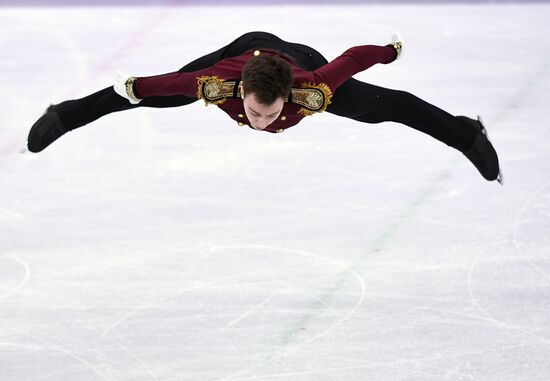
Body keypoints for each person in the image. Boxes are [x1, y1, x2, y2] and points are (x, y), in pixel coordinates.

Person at [27, 31, 502, 184]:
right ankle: (66, 113)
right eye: (255, 114)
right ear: (241, 98)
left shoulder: (313, 88)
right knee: (153, 100)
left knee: (385, 107)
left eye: (270, 116)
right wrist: (133, 87)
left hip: (298, 59)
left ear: (286, 101)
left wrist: (389, 51)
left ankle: (466, 134)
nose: (260, 124)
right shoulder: (213, 84)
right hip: (244, 50)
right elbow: (147, 86)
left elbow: (354, 59)